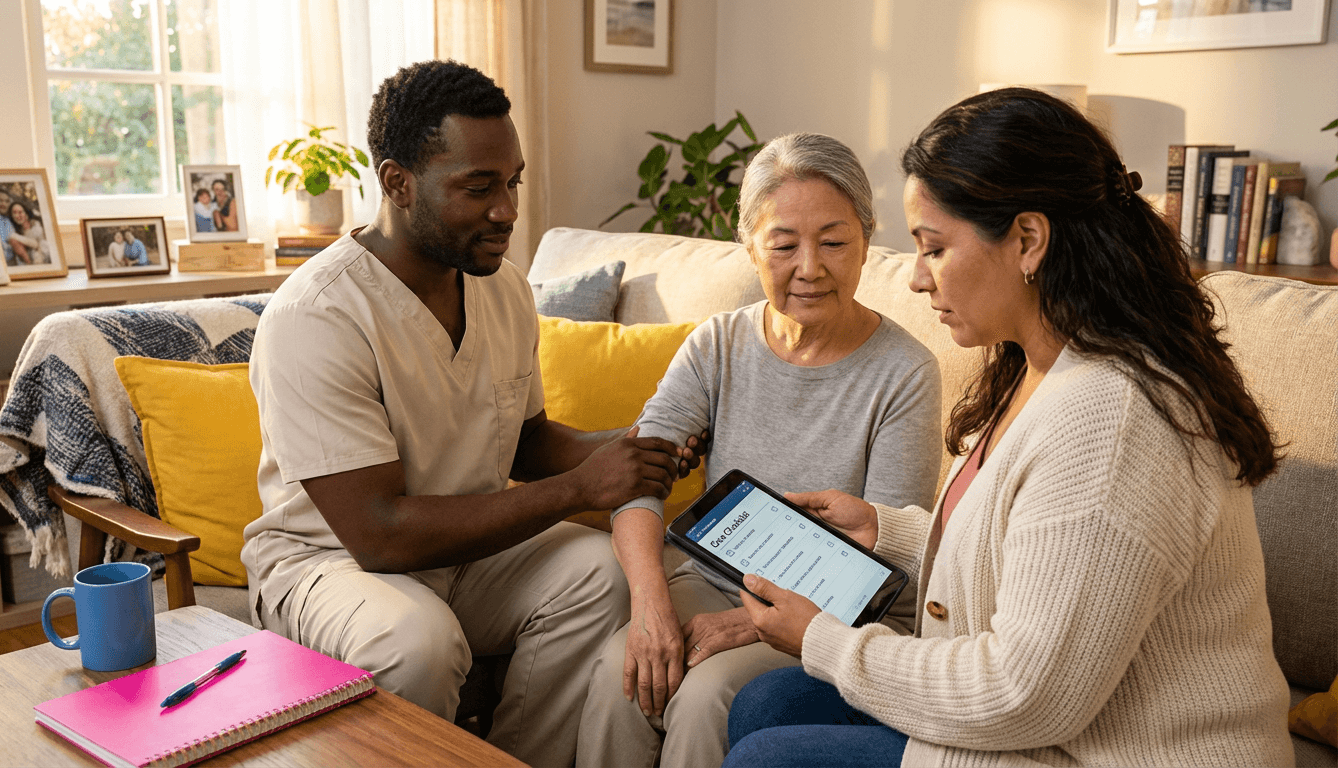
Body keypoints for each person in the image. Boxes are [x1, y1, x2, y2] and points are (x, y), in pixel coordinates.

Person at [722, 87, 1293, 768]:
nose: (914, 279)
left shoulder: (1110, 424)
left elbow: (1025, 694)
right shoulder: (1040, 367)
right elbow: (1033, 558)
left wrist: (823, 640)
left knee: (771, 754)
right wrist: (889, 534)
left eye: (934, 248)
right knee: (767, 705)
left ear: (1027, 239)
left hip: (1111, 751)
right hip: (1067, 726)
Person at [243, 60, 702, 767]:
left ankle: (518, 758)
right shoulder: (317, 316)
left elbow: (526, 443)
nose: (508, 211)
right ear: (397, 182)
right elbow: (379, 536)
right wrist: (583, 490)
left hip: (472, 546)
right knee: (413, 638)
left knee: (603, 572)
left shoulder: (503, 288)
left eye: (512, 182)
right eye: (478, 187)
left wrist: (634, 447)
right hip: (330, 564)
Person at [577, 133, 943, 768]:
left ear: (865, 242)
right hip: (705, 578)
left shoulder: (906, 372)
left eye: (833, 242)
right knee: (624, 669)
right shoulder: (717, 344)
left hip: (825, 615)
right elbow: (636, 477)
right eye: (783, 245)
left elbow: (883, 553)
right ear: (750, 247)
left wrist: (748, 625)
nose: (810, 267)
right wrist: (651, 603)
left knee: (704, 698)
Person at [6, 201, 51, 265]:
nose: (17, 215)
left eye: (20, 212)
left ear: (26, 214)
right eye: (14, 213)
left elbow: (36, 244)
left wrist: (15, 236)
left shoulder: (35, 224)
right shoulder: (17, 230)